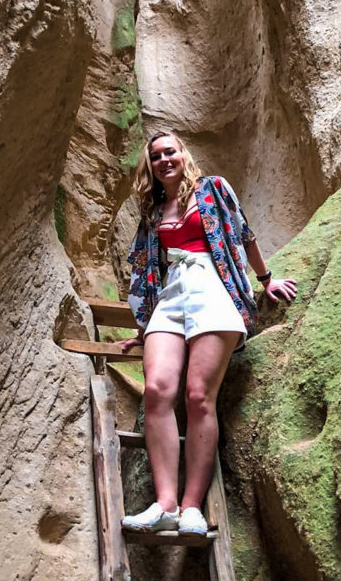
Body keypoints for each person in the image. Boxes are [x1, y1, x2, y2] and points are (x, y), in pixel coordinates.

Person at [118, 131, 297, 536]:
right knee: (157, 390)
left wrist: (266, 279)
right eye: (157, 155)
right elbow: (146, 270)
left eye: (171, 151)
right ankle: (164, 504)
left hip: (211, 288)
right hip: (171, 296)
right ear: (150, 165)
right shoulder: (152, 210)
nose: (165, 159)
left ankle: (191, 507)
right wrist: (142, 328)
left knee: (199, 396)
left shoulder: (213, 188)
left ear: (184, 154)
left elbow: (243, 234)